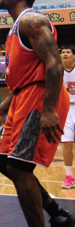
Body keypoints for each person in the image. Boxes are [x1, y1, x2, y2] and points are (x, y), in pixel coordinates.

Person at [0, 0, 73, 227]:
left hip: (39, 97)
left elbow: (54, 63)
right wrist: (1, 111)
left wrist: (49, 110)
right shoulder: (16, 28)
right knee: (6, 164)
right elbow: (22, 80)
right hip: (23, 96)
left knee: (19, 168)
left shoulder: (31, 20)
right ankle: (57, 213)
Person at [61, 46, 75, 188]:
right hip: (66, 109)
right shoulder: (57, 71)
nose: (65, 54)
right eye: (63, 52)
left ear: (73, 55)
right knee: (67, 142)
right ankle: (69, 176)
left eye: (68, 52)